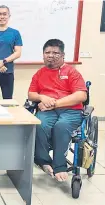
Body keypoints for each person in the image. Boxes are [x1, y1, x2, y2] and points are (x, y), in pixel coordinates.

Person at [28, 39, 87, 182]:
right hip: (48, 111)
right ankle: (43, 161)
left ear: (63, 55)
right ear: (43, 55)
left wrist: (54, 104)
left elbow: (81, 95)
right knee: (40, 124)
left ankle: (59, 166)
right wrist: (42, 97)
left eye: (55, 53)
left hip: (70, 111)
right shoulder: (39, 73)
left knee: (61, 127)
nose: (50, 55)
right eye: (47, 52)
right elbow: (31, 94)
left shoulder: (72, 72)